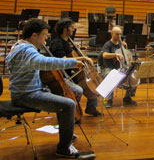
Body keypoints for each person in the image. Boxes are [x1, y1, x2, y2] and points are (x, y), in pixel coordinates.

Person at [5, 18, 95, 159]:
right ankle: (64, 149)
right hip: (26, 95)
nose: (46, 40)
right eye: (44, 36)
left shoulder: (19, 46)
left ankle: (67, 134)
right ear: (34, 35)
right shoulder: (27, 50)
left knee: (64, 96)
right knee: (68, 104)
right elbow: (43, 62)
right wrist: (73, 62)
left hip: (28, 91)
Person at [49, 18, 101, 117]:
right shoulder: (57, 43)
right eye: (72, 27)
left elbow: (71, 55)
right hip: (62, 75)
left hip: (71, 73)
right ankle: (71, 112)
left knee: (93, 85)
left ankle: (91, 107)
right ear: (65, 29)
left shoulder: (67, 41)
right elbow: (63, 60)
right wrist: (83, 58)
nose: (74, 29)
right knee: (84, 87)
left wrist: (75, 49)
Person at [98, 26, 137, 108]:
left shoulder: (120, 44)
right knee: (110, 76)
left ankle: (127, 97)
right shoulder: (108, 44)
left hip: (119, 67)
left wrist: (125, 48)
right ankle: (109, 100)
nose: (119, 36)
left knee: (134, 77)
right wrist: (115, 54)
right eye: (117, 34)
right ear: (112, 34)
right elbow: (104, 55)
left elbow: (126, 56)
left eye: (120, 34)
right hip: (107, 67)